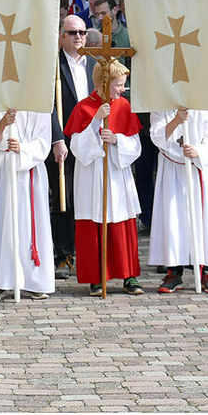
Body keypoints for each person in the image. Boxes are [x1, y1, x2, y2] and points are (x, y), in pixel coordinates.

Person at [63, 61, 143, 296]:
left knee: (122, 222)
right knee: (94, 224)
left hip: (117, 175)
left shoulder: (124, 106)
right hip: (92, 176)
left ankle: (129, 276)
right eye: (118, 85)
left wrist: (117, 140)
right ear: (104, 84)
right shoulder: (83, 108)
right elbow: (77, 147)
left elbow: (136, 146)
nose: (122, 90)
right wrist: (96, 120)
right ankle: (96, 278)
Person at [0, 109, 55, 302]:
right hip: (3, 169)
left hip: (30, 170)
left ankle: (33, 281)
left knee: (29, 225)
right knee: (1, 223)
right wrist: (3, 124)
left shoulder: (39, 105)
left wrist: (23, 148)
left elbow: (43, 142)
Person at [148, 107, 208, 294]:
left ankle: (206, 270)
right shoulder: (160, 106)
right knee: (173, 220)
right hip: (172, 168)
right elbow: (156, 135)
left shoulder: (203, 106)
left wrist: (197, 151)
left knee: (201, 220)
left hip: (196, 168)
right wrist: (175, 121)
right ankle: (174, 270)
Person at [47, 15, 95, 280]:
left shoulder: (95, 64)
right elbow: (49, 106)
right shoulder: (52, 65)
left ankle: (87, 250)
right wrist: (56, 139)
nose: (78, 37)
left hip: (91, 142)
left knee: (87, 197)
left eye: (82, 32)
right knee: (62, 198)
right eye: (72, 32)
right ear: (61, 36)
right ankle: (63, 254)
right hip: (63, 141)